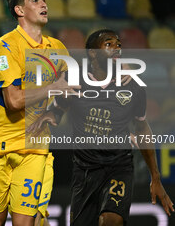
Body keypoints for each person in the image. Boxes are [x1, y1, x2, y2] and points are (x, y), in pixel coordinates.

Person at [30, 29, 174, 226]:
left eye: (119, 45)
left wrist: (155, 177)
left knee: (110, 221)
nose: (116, 48)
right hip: (84, 169)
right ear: (92, 52)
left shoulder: (133, 87)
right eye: (109, 44)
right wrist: (52, 113)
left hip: (118, 166)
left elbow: (142, 128)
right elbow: (60, 105)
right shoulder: (75, 79)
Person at [0, 0, 78, 226]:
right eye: (35, 0)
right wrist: (53, 88)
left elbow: (73, 84)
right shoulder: (6, 45)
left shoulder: (57, 48)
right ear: (19, 10)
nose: (44, 4)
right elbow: (13, 101)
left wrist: (55, 112)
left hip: (34, 148)